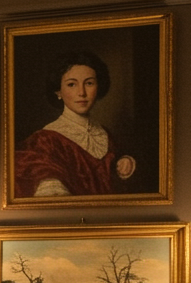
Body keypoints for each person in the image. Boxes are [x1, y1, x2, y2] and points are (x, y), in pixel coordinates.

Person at [14, 51, 136, 198]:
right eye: (71, 84)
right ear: (58, 91)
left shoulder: (106, 135)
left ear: (98, 87)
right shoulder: (45, 140)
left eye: (89, 83)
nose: (82, 92)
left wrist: (126, 164)